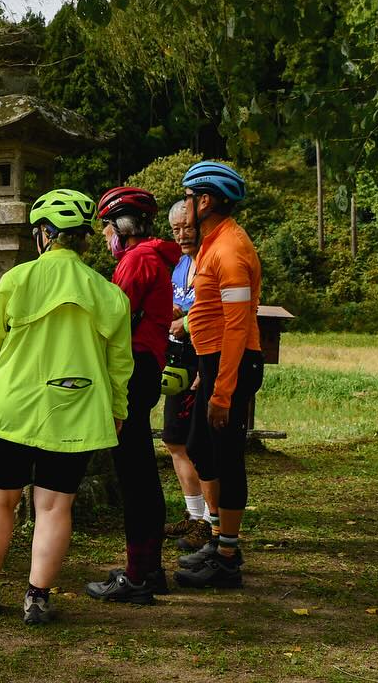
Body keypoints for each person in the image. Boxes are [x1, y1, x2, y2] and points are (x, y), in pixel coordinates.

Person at [0, 189, 133, 626]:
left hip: (13, 409)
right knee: (55, 506)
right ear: (84, 238)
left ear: (44, 235)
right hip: (77, 409)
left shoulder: (17, 280)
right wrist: (118, 410)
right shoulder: (109, 294)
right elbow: (119, 365)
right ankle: (38, 598)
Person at [84, 187, 182, 605]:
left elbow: (113, 315)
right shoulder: (151, 257)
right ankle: (149, 568)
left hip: (134, 368)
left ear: (123, 227)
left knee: (135, 474)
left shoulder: (137, 260)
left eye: (107, 226)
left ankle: (138, 575)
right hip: (146, 366)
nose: (105, 235)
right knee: (140, 470)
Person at [173, 161, 263, 589]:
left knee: (226, 460)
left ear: (203, 201)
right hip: (212, 360)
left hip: (234, 361)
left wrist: (223, 393)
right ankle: (217, 537)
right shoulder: (213, 242)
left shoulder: (229, 250)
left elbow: (238, 325)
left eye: (188, 198)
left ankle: (227, 557)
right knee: (197, 447)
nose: (185, 207)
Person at [161, 198, 212, 552]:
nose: (181, 235)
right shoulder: (179, 265)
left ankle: (212, 522)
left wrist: (188, 322)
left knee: (203, 447)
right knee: (174, 440)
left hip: (207, 360)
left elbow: (222, 308)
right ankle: (194, 517)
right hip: (178, 363)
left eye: (187, 227)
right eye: (175, 229)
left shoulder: (213, 261)